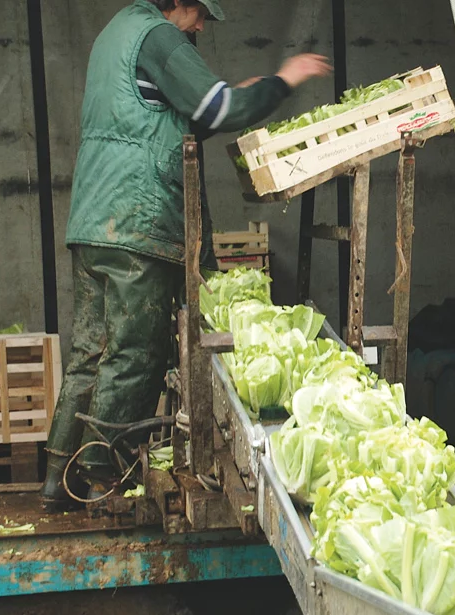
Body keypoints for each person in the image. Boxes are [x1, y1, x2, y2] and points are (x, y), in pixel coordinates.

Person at [40, 0, 332, 511]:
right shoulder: (159, 37)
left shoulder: (117, 33)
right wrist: (283, 79)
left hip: (94, 219)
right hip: (138, 221)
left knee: (91, 351)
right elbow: (221, 110)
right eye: (199, 12)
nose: (201, 25)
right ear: (175, 1)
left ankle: (58, 477)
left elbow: (168, 119)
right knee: (134, 353)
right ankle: (101, 476)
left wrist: (227, 96)